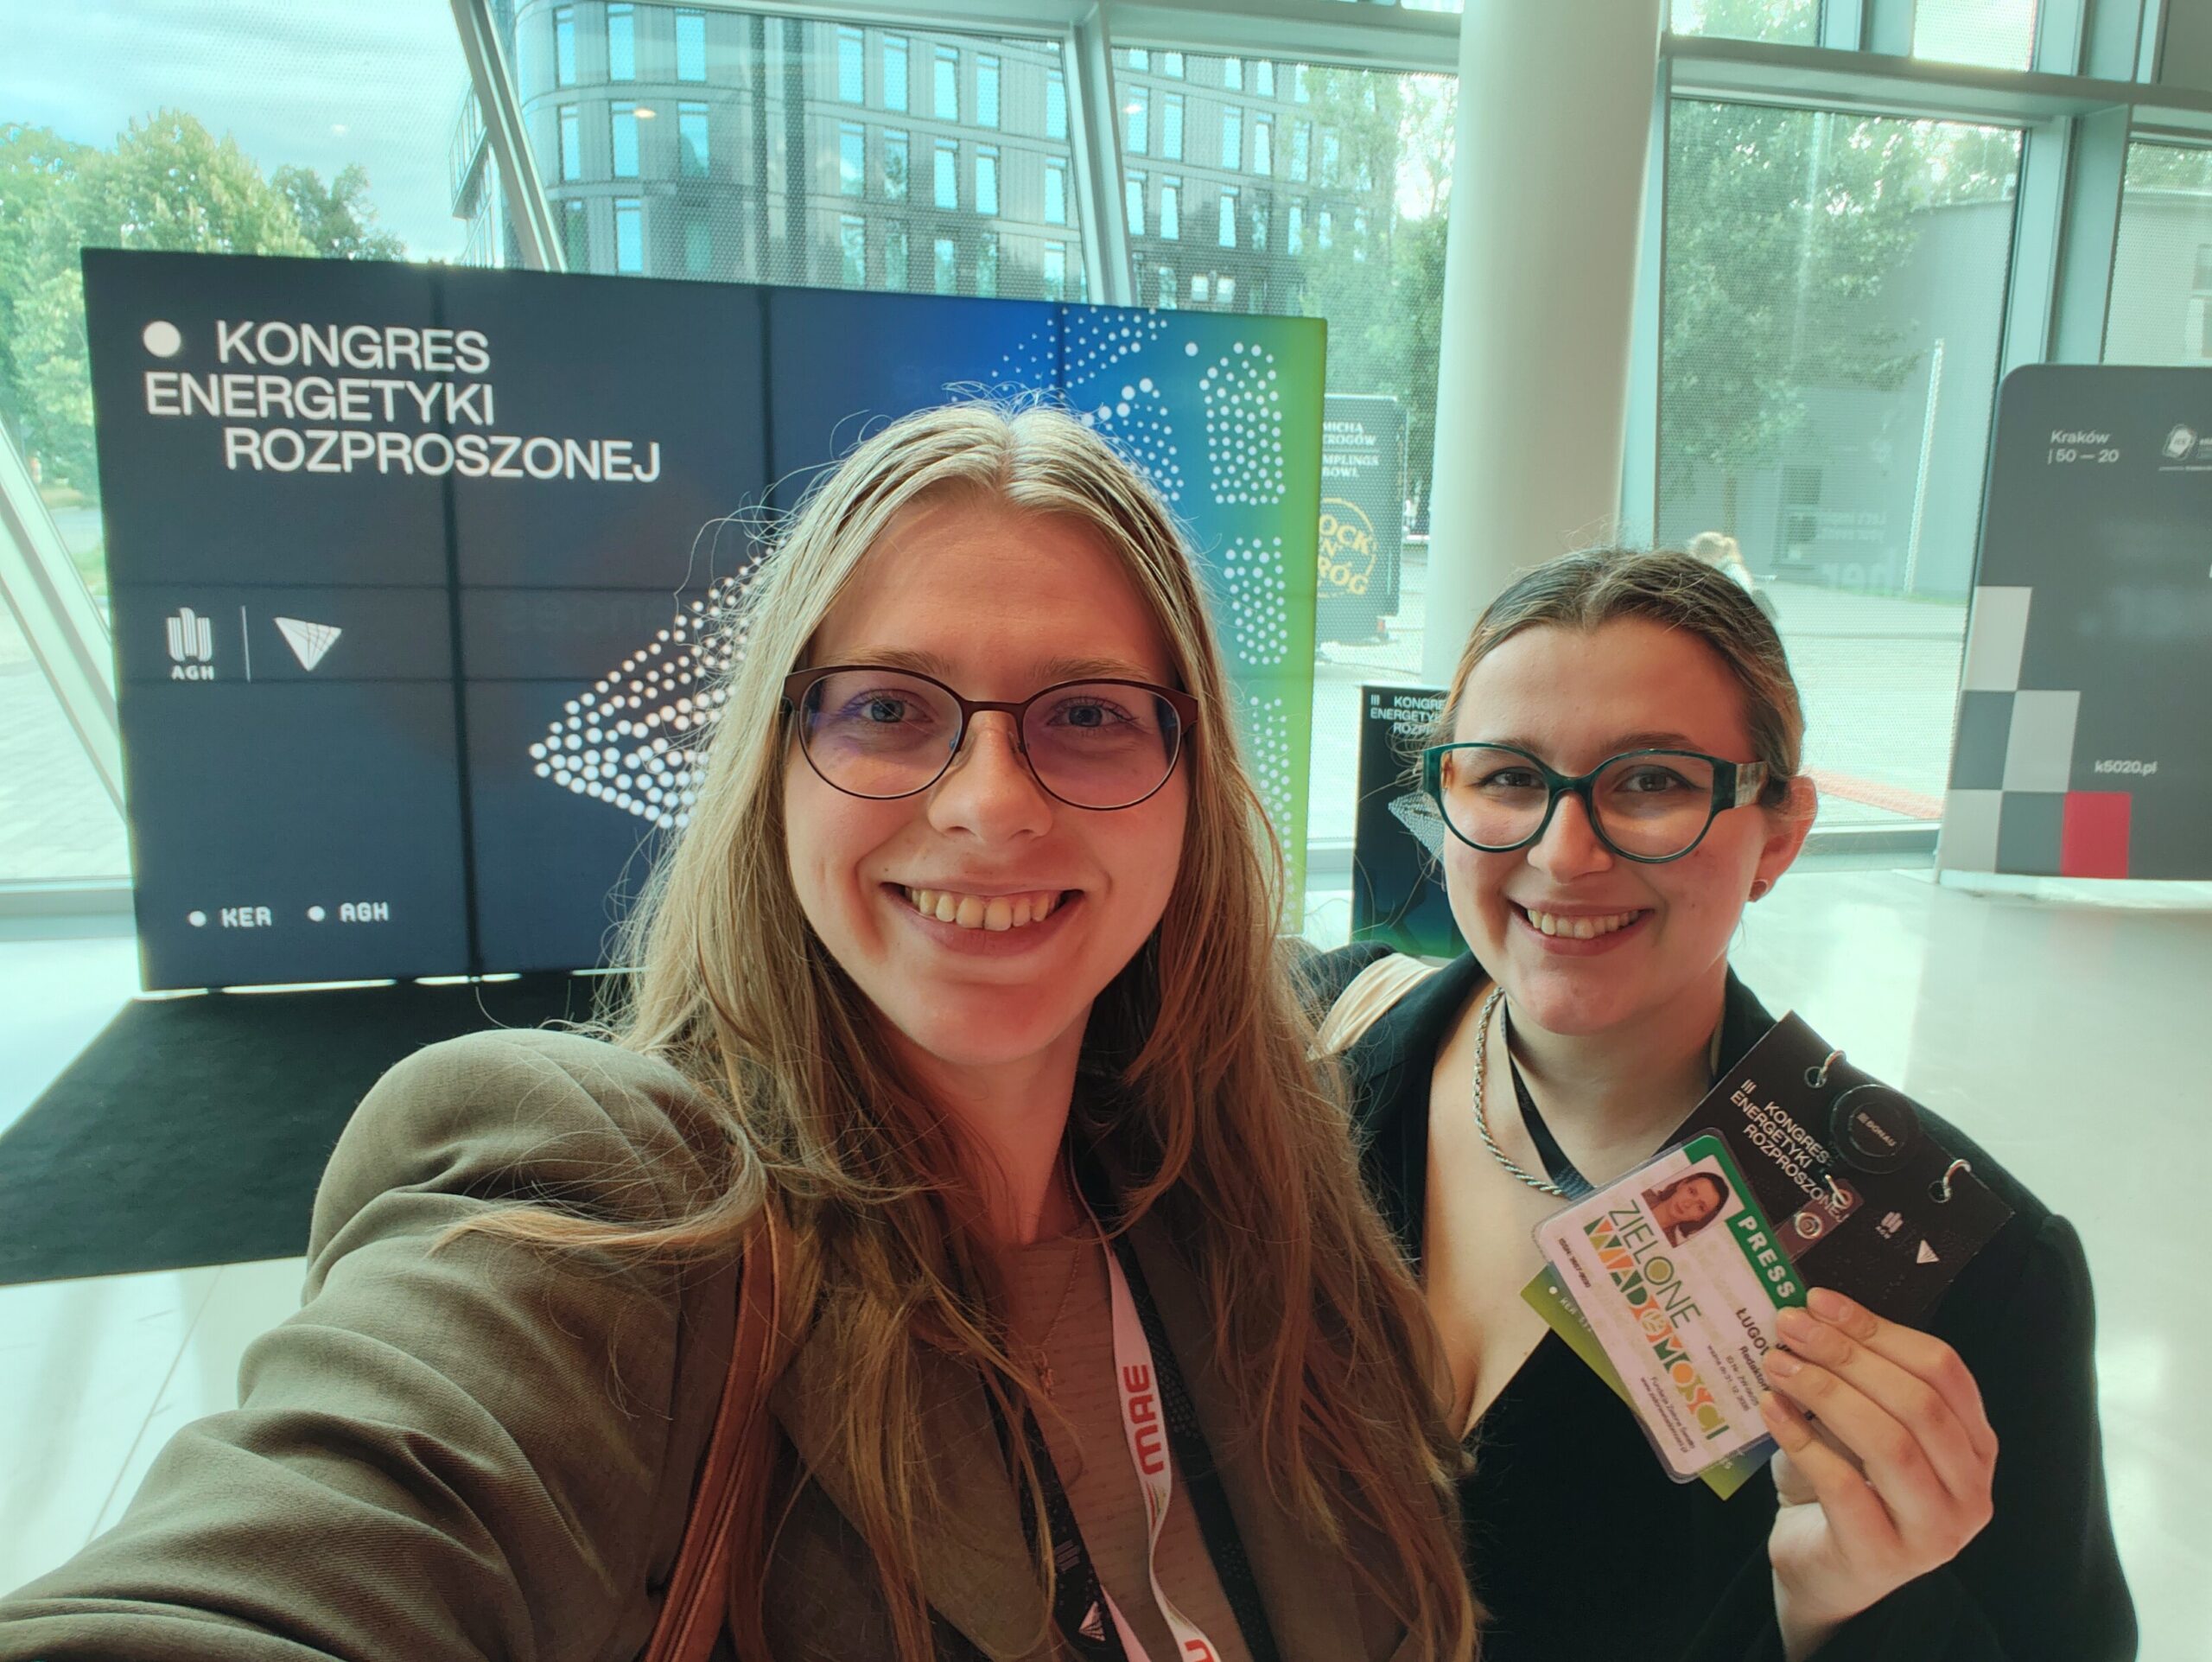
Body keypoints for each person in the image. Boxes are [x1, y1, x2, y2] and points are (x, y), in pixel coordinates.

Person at [0, 403, 1476, 1662]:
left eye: (1086, 715)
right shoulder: (612, 1211)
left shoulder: (1253, 1198)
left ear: (1190, 782)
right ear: (777, 765)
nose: (989, 803)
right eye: (889, 708)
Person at [1305, 550, 2133, 1660]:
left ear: (1778, 833)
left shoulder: (1963, 1267)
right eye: (1505, 777)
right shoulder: (1301, 1066)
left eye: (1652, 782)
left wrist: (1847, 1610)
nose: (1564, 853)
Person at [1643, 1169, 1730, 1245]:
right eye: (1691, 1192)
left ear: (1701, 1218)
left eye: (1701, 1207)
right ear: (1682, 1184)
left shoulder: (1668, 1247)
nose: (1687, 1204)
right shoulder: (1641, 1191)